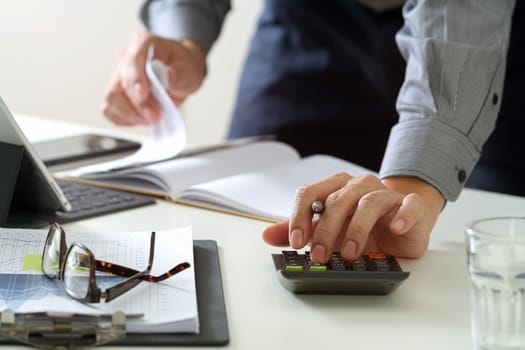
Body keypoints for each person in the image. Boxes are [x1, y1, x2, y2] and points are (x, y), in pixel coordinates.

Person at [101, 0, 519, 263]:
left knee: (494, 246)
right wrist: (184, 42)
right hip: (305, 20)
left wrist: (410, 196)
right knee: (244, 237)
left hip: (476, 38)